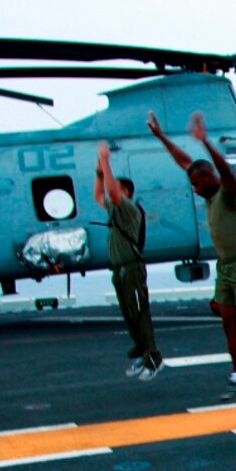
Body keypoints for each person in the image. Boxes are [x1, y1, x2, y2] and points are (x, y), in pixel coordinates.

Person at [147, 110, 236, 405]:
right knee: (228, 322)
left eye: (197, 184)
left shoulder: (229, 194)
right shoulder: (208, 193)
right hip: (226, 267)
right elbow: (185, 163)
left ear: (210, 178)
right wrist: (160, 137)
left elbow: (228, 174)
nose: (194, 190)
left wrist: (206, 142)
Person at [94, 142, 163, 382]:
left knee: (140, 315)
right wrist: (99, 172)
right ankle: (142, 354)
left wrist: (106, 161)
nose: (114, 194)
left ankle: (153, 359)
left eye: (118, 190)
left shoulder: (130, 210)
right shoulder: (116, 211)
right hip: (120, 270)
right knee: (130, 315)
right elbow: (99, 195)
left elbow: (110, 193)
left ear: (126, 193)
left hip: (132, 268)